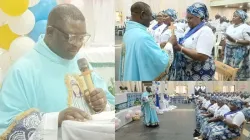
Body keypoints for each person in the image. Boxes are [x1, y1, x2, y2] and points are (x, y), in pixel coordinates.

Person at [0, 4, 115, 140]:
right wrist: (56, 119)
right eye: (71, 37)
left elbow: (109, 103)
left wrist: (102, 103)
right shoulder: (23, 70)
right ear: (50, 32)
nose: (77, 44)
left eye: (81, 38)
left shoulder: (81, 63)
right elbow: (6, 127)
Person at [120, 2, 177, 81]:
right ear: (142, 15)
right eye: (150, 16)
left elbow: (141, 50)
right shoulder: (142, 36)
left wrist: (158, 45)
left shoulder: (129, 33)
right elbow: (161, 60)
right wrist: (170, 43)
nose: (151, 19)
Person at [168, 2, 215, 81]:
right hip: (188, 68)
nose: (188, 21)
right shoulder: (189, 29)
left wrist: (180, 48)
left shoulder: (206, 31)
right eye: (187, 18)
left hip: (200, 71)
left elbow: (202, 56)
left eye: (190, 18)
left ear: (199, 17)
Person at [223, 10, 250, 80]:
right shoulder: (230, 26)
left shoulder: (245, 27)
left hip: (239, 52)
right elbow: (226, 38)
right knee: (228, 68)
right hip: (228, 50)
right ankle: (229, 82)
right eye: (233, 16)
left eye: (235, 16)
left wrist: (235, 41)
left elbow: (249, 41)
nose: (233, 17)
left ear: (241, 18)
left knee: (237, 69)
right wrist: (223, 49)